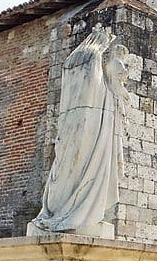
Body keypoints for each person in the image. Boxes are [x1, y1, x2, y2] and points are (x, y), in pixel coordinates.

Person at [27, 26, 129, 237]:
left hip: (93, 136)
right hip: (85, 137)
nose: (124, 72)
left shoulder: (104, 89)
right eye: (120, 64)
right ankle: (72, 214)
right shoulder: (90, 63)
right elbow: (85, 75)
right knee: (77, 171)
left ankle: (79, 214)